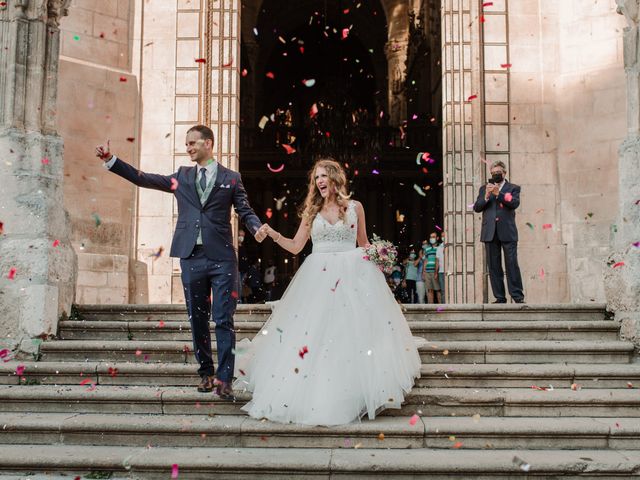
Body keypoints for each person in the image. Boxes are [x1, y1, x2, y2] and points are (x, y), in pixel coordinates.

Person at [235, 158, 422, 426]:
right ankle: (317, 392)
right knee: (315, 333)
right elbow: (297, 246)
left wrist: (380, 257)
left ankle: (353, 390)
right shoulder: (311, 212)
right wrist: (274, 234)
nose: (319, 181)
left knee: (349, 333)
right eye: (316, 178)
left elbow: (364, 243)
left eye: (323, 176)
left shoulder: (355, 207)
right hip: (318, 276)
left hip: (353, 275)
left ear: (335, 179)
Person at [95, 125, 268, 399]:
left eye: (192, 143)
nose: (187, 148)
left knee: (223, 318)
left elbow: (244, 209)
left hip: (222, 258)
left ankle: (225, 379)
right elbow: (144, 179)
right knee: (197, 319)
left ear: (208, 143)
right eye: (186, 144)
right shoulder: (182, 177)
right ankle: (206, 373)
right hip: (191, 257)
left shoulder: (231, 178)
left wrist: (256, 227)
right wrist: (111, 161)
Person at [473, 160, 525, 303]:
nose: (496, 175)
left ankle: (517, 296)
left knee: (512, 264)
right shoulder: (484, 188)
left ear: (504, 173)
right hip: (490, 232)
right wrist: (487, 196)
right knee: (494, 267)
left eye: (498, 173)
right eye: (493, 173)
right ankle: (500, 297)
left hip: (507, 231)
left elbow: (514, 203)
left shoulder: (513, 188)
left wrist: (499, 194)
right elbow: (477, 207)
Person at [423, 232, 440, 303]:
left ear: (437, 238)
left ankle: (441, 307)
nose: (432, 238)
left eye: (433, 237)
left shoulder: (439, 248)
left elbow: (439, 260)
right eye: (431, 237)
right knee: (429, 290)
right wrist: (423, 272)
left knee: (438, 289)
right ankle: (431, 307)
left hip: (435, 271)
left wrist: (437, 272)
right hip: (427, 271)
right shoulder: (427, 249)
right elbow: (425, 260)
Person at [436, 232, 446, 303]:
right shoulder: (439, 247)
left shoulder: (451, 246)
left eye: (444, 236)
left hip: (449, 272)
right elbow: (437, 261)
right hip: (441, 272)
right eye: (442, 236)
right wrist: (436, 272)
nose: (443, 237)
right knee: (442, 290)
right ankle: (443, 306)